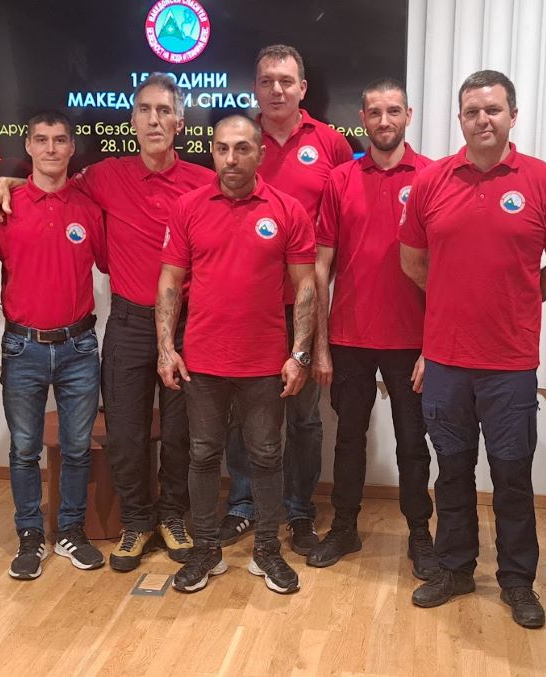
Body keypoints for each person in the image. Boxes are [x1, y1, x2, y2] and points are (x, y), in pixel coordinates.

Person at [0, 74, 212, 571]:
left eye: (164, 111)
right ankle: (136, 521)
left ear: (180, 121)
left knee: (181, 433)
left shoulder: (204, 182)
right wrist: (5, 181)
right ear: (132, 121)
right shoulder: (106, 177)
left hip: (187, 324)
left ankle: (172, 516)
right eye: (145, 110)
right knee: (127, 432)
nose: (154, 119)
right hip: (130, 322)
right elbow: (50, 183)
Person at [398, 70, 546, 628]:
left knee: (512, 478)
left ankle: (517, 581)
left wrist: (520, 297)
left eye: (493, 110)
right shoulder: (432, 182)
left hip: (509, 365)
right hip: (446, 361)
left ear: (512, 116)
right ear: (460, 118)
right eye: (472, 111)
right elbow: (412, 261)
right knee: (451, 473)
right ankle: (454, 569)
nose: (483, 120)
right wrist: (451, 299)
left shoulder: (541, 180)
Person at [156, 115, 317, 595]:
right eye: (223, 148)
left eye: (243, 148)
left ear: (260, 154)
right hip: (202, 362)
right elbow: (169, 281)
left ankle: (267, 550)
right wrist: (166, 348)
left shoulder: (287, 210)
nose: (231, 158)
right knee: (203, 454)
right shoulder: (187, 207)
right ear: (212, 152)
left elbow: (306, 287)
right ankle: (206, 550)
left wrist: (300, 354)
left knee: (266, 456)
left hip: (265, 363)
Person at [221, 44, 354, 554]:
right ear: (255, 88)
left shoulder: (331, 144)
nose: (276, 89)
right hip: (245, 308)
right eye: (266, 80)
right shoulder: (239, 140)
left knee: (303, 418)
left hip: (304, 304)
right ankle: (243, 504)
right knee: (243, 415)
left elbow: (343, 221)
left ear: (302, 88)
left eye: (286, 80)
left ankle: (299, 510)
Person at [305, 77, 437, 578]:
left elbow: (444, 268)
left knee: (413, 443)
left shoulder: (432, 176)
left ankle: (420, 534)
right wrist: (320, 346)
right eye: (375, 112)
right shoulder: (340, 179)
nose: (385, 121)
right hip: (349, 338)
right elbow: (321, 266)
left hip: (412, 339)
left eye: (394, 111)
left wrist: (434, 346)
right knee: (348, 440)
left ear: (408, 115)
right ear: (362, 119)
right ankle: (344, 528)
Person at [0, 111, 109, 580]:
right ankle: (29, 534)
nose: (50, 149)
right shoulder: (4, 204)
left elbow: (111, 262)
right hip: (22, 347)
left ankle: (70, 531)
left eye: (59, 140)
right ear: (27, 146)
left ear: (71, 148)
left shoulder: (89, 207)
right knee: (25, 449)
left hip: (78, 347)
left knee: (77, 447)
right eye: (41, 140)